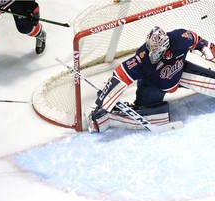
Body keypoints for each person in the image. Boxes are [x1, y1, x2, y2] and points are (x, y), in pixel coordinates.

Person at [86, 26, 215, 133]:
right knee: (158, 116)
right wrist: (103, 103)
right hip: (153, 86)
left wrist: (205, 49)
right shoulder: (142, 57)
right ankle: (106, 118)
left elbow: (199, 41)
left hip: (179, 73)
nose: (152, 53)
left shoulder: (181, 38)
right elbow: (121, 74)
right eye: (151, 48)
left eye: (157, 50)